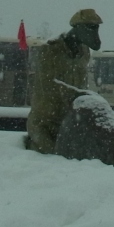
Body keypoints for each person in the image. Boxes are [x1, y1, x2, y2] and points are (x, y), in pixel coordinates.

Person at [25, 8, 102, 154]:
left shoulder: (84, 52)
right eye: (90, 28)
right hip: (45, 124)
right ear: (77, 28)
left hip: (69, 123)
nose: (95, 34)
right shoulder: (50, 51)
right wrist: (81, 96)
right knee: (52, 157)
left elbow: (81, 84)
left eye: (96, 28)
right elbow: (48, 86)